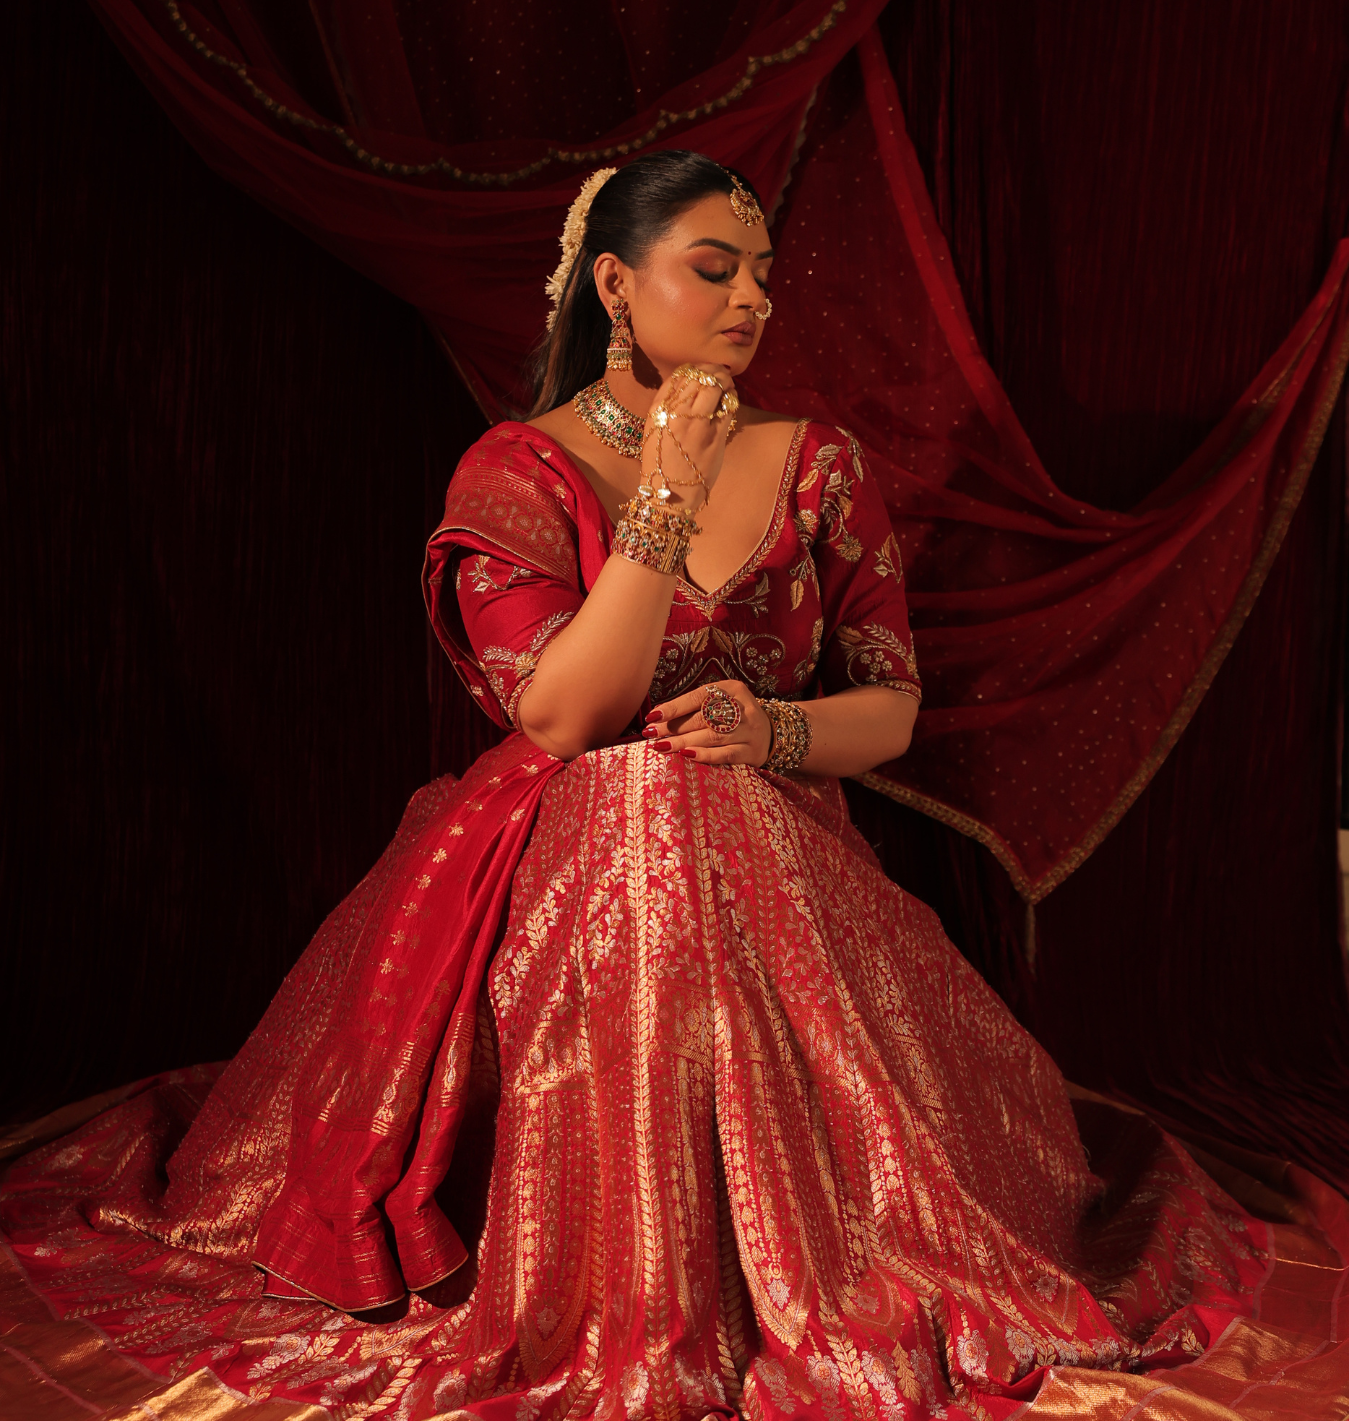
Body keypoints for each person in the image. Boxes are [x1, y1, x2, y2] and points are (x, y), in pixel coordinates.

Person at [1, 152, 1344, 1421]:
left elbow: (889, 704)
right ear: (613, 285)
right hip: (564, 875)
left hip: (786, 873)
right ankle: (637, 1291)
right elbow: (570, 711)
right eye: (715, 267)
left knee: (693, 791)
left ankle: (763, 1276)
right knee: (646, 787)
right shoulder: (520, 470)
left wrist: (769, 734)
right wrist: (665, 490)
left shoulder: (818, 462)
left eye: (763, 272)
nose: (753, 298)